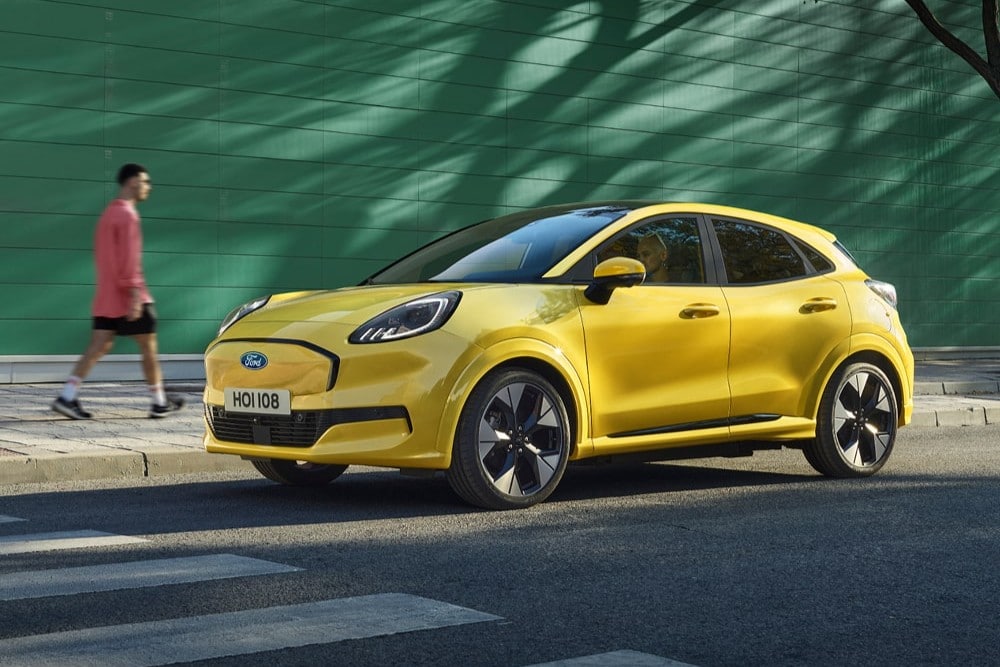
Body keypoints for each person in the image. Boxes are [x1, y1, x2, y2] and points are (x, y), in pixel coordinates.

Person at [52, 163, 185, 420]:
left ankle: (67, 396)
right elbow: (129, 259)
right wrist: (135, 293)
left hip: (107, 297)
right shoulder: (127, 215)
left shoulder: (108, 214)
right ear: (132, 182)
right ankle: (159, 402)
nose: (149, 187)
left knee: (99, 345)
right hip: (129, 295)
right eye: (145, 182)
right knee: (149, 347)